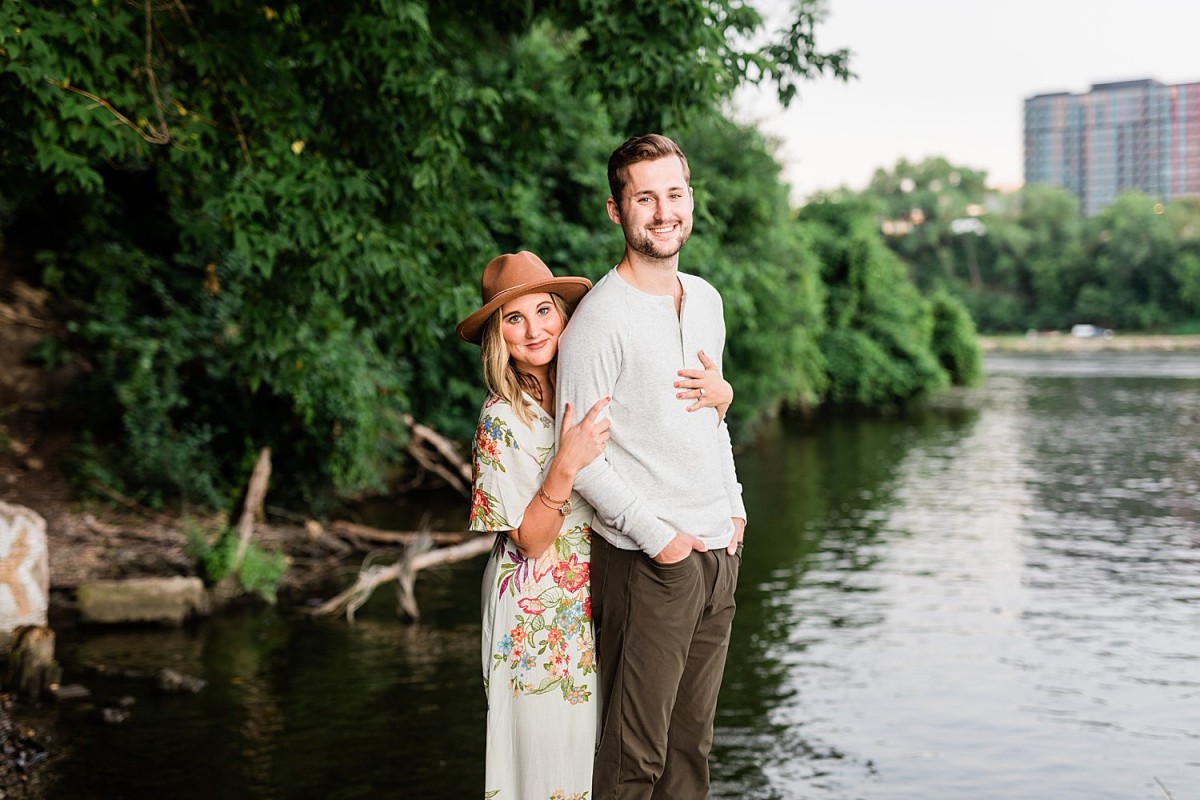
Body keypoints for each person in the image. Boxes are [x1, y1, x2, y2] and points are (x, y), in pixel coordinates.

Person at [456, 250, 733, 799]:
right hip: (537, 609)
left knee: (602, 757)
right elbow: (529, 541)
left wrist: (722, 397)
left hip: (598, 584)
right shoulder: (502, 418)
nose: (534, 329)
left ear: (564, 315)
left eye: (544, 311)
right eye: (514, 319)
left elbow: (665, 428)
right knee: (549, 765)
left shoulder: (585, 381)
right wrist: (566, 462)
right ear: (497, 336)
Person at [556, 134, 747, 799]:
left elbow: (710, 413)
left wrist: (736, 508)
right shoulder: (600, 322)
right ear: (617, 211)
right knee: (634, 760)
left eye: (674, 193)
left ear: (690, 198)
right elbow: (578, 458)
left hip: (717, 551)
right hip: (648, 563)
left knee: (689, 751)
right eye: (644, 198)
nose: (663, 212)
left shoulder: (706, 300)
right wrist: (659, 539)